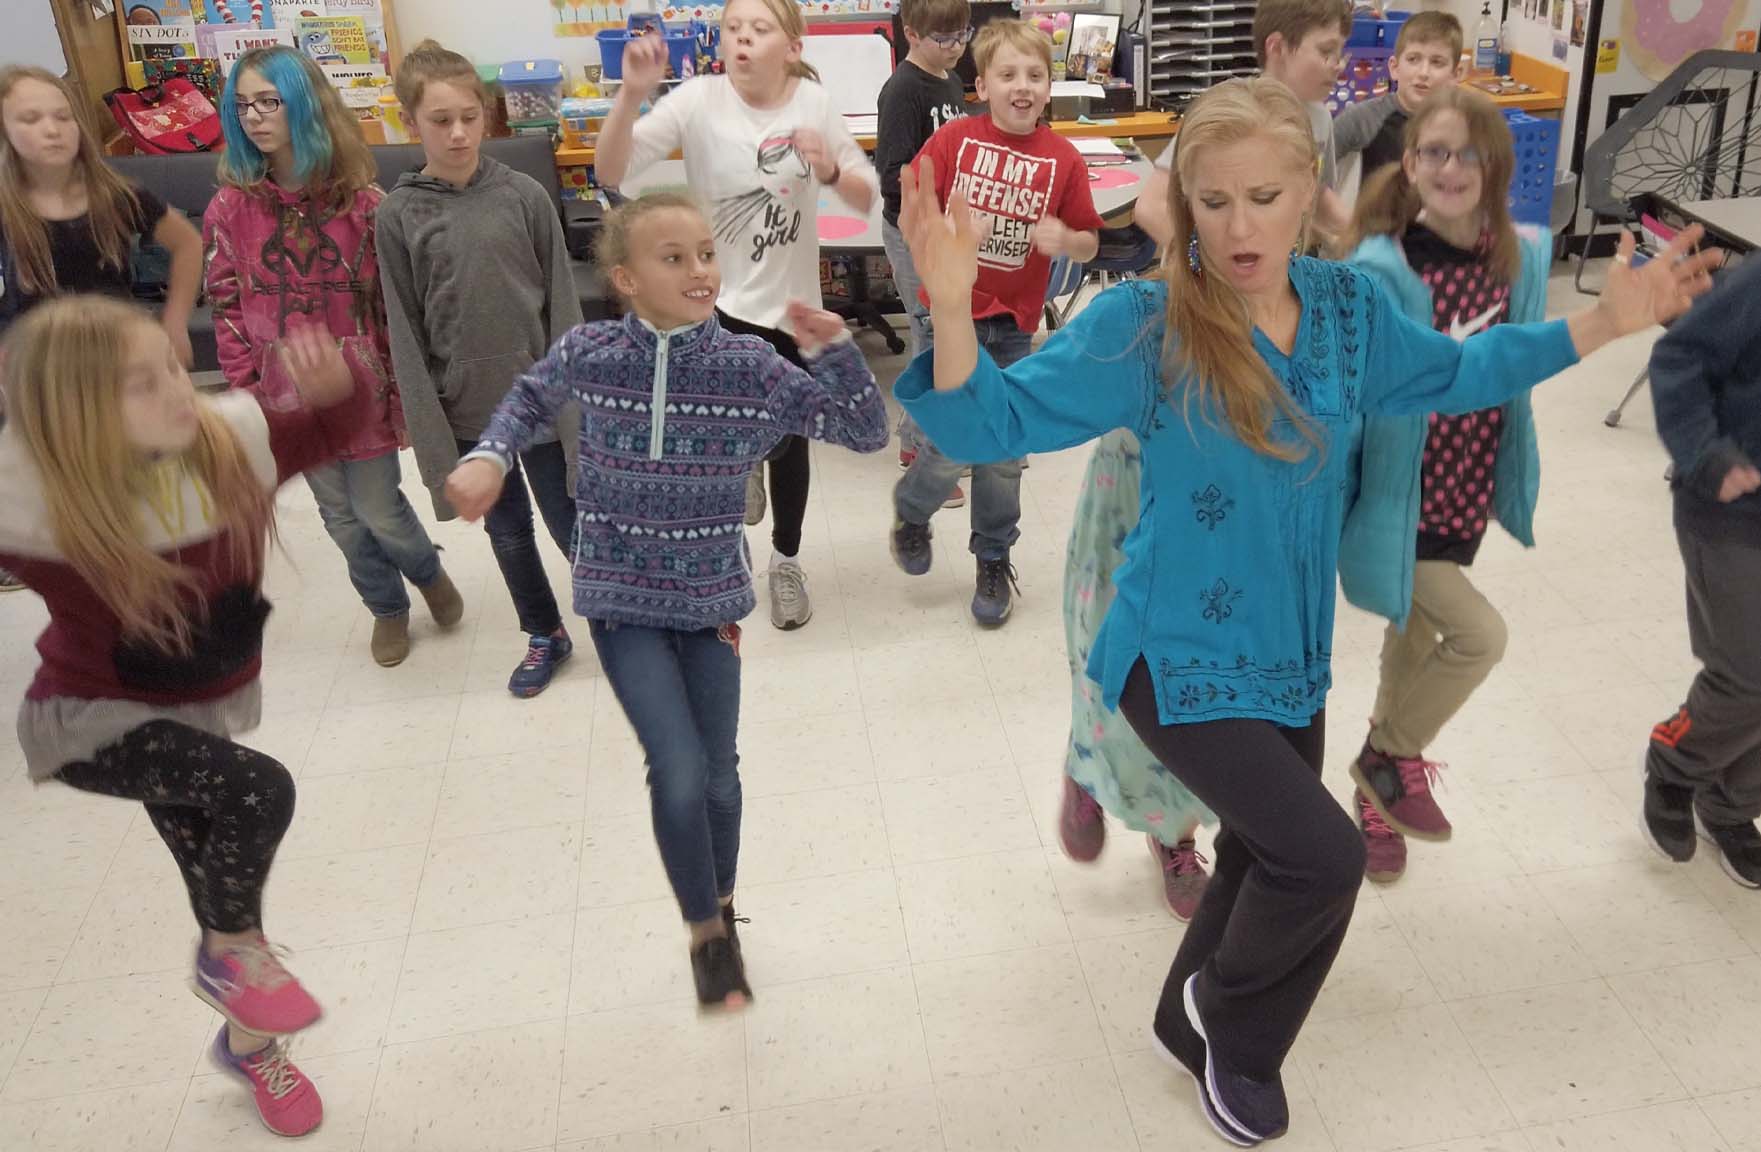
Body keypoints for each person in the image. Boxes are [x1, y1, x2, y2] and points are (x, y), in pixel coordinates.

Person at [896, 75, 1717, 1146]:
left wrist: (1605, 320)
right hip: (1173, 658)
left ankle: (1177, 1015)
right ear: (1184, 202)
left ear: (1306, 195)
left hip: (1290, 652)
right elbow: (985, 420)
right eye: (1217, 200)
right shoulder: (1147, 323)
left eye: (1267, 196)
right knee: (1323, 860)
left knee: (1257, 852)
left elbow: (1460, 372)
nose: (1242, 226)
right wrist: (954, 307)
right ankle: (1237, 1037)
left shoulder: (1345, 310)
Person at [444, 192, 888, 1008]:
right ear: (625, 279)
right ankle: (705, 935)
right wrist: (492, 456)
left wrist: (836, 354)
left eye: (705, 254)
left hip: (711, 594)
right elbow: (527, 399)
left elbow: (863, 433)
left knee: (719, 775)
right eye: (673, 257)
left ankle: (720, 900)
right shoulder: (592, 350)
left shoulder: (750, 367)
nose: (699, 270)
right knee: (677, 769)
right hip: (620, 595)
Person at [0, 297, 360, 1137]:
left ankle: (249, 1041)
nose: (176, 389)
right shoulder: (33, 497)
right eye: (141, 384)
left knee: (216, 873)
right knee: (257, 796)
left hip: (195, 709)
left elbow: (327, 433)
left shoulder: (224, 442)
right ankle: (233, 961)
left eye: (171, 364)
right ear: (73, 415)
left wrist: (338, 391)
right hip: (90, 720)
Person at [594, 0, 880, 631]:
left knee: (789, 441)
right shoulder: (699, 100)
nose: (742, 39)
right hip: (714, 306)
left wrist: (831, 166)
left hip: (793, 310)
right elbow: (610, 171)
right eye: (733, 28)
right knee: (719, 439)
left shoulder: (813, 106)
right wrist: (630, 95)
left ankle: (785, 561)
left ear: (793, 46)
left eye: (759, 29)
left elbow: (865, 199)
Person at [1337, 87, 1552, 883]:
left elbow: (1522, 362)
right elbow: (1350, 389)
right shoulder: (1379, 267)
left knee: (1414, 633)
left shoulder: (1519, 254)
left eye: (1468, 153)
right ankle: (1387, 758)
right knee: (1476, 636)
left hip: (1465, 481)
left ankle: (1375, 795)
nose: (1450, 167)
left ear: (1495, 165)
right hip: (1394, 496)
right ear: (1410, 162)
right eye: (1433, 151)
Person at [206, 46, 461, 669]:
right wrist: (248, 390)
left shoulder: (364, 205)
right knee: (341, 519)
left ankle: (426, 572)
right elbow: (226, 303)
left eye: (269, 101)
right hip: (285, 395)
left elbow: (395, 311)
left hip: (360, 393)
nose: (255, 117)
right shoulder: (229, 209)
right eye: (242, 106)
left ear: (306, 104)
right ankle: (387, 609)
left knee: (380, 509)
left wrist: (405, 390)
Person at [378, 39, 585, 696]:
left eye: (470, 115)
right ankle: (543, 631)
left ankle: (625, 618)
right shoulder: (397, 215)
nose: (459, 131)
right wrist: (435, 440)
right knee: (509, 533)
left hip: (543, 403)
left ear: (486, 114)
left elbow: (562, 305)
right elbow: (405, 336)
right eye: (440, 120)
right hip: (469, 413)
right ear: (410, 124)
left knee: (570, 520)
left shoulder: (523, 196)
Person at [890, 19, 1104, 626]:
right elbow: (914, 203)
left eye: (1035, 75)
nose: (1023, 86)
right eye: (1008, 74)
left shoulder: (1062, 159)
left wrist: (1068, 238)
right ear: (980, 85)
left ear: (1049, 86)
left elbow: (1091, 243)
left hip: (1012, 325)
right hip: (951, 314)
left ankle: (991, 554)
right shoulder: (956, 140)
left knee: (1005, 449)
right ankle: (913, 505)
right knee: (955, 440)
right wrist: (935, 239)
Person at [0, 65, 202, 592]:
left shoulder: (115, 193)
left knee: (143, 491)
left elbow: (188, 244)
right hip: (47, 384)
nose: (52, 128)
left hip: (122, 372)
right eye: (31, 118)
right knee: (72, 503)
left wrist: (175, 323)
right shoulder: (5, 208)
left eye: (62, 116)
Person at [1642, 248, 1761, 889]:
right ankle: (1674, 760)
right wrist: (1706, 455)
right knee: (1748, 672)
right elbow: (1677, 357)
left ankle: (1733, 805)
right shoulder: (1755, 284)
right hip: (1730, 511)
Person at [877, 0, 970, 494]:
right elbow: (890, 175)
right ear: (911, 34)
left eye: (963, 35)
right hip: (911, 232)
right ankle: (923, 457)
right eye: (944, 38)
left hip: (942, 232)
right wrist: (940, 185)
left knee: (947, 337)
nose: (956, 47)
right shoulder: (902, 90)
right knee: (930, 340)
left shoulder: (950, 81)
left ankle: (921, 439)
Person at [1253, 0, 1355, 237]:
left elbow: (1319, 197)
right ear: (1277, 47)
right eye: (1326, 52)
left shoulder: (1320, 119)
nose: (1338, 65)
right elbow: (1153, 204)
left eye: (1340, 53)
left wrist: (1367, 237)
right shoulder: (1232, 109)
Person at [1334, 12, 1464, 184]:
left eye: (1437, 62)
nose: (1423, 73)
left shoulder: (1464, 129)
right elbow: (1311, 170)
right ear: (1394, 68)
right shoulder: (1362, 119)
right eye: (1413, 59)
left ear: (1455, 75)